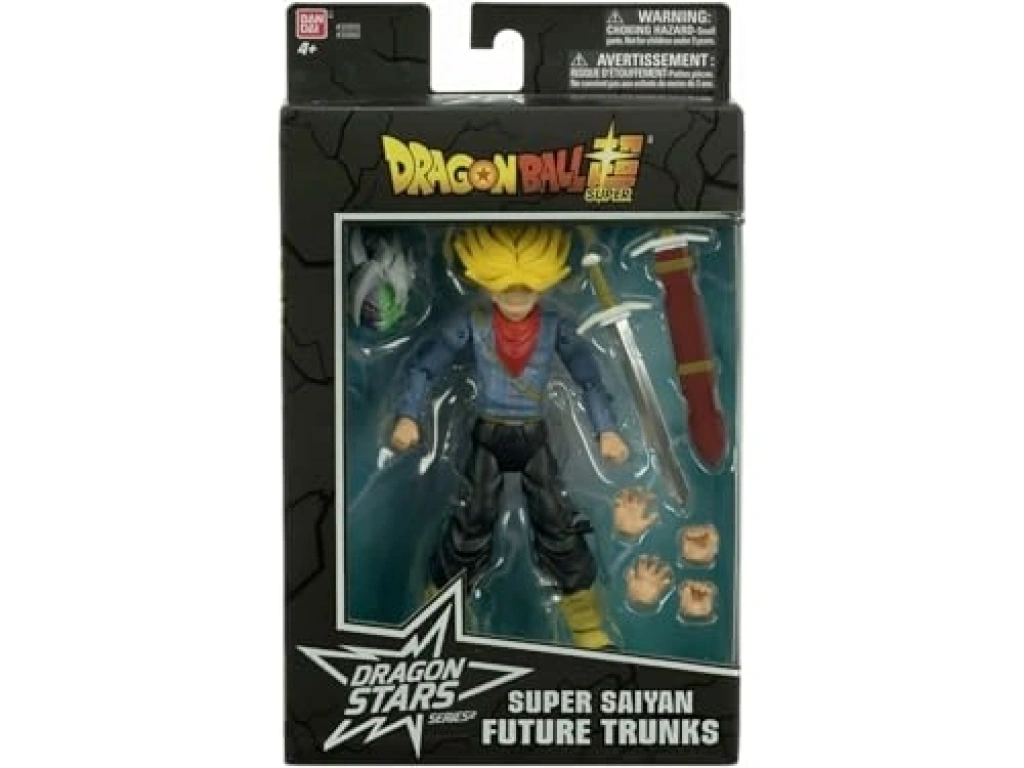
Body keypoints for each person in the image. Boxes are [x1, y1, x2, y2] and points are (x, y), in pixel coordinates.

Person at [390, 225, 628, 649]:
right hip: (489, 433)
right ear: (482, 281)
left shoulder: (554, 326)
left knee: (556, 525)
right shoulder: (472, 323)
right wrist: (409, 415)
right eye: (504, 288)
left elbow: (589, 379)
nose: (517, 299)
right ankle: (439, 612)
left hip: (534, 435)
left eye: (528, 289)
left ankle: (587, 623)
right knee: (471, 524)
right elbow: (425, 366)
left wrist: (606, 429)